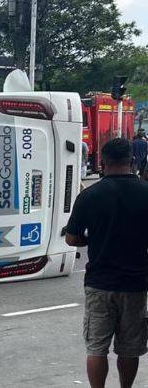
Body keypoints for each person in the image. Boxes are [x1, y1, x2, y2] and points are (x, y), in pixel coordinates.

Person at [65, 138, 148, 388]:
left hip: (99, 283)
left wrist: (92, 238)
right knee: (129, 348)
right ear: (132, 161)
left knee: (97, 348)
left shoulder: (90, 195)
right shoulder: (146, 193)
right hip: (136, 283)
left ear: (102, 161)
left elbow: (71, 239)